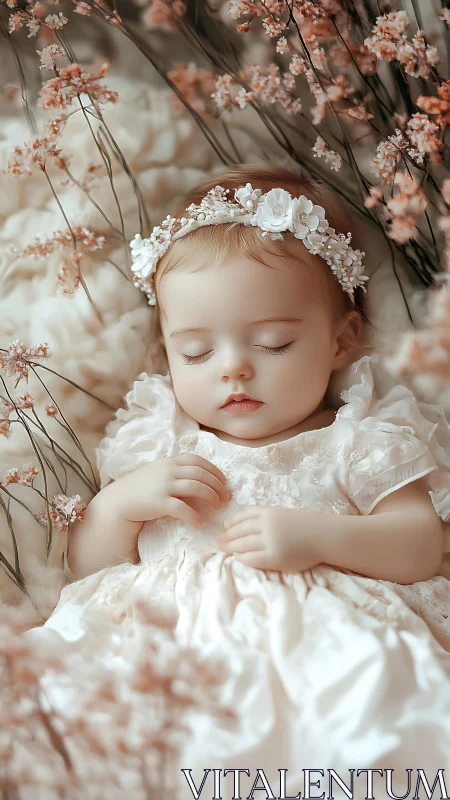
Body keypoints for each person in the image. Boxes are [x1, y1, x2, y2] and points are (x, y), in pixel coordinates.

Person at [26, 166, 450, 794]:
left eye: (273, 343)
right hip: (171, 656)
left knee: (366, 718)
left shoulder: (357, 439)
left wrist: (320, 538)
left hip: (325, 652)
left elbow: (421, 544)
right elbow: (87, 569)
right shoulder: (157, 441)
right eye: (196, 353)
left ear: (342, 341)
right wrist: (119, 506)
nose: (233, 370)